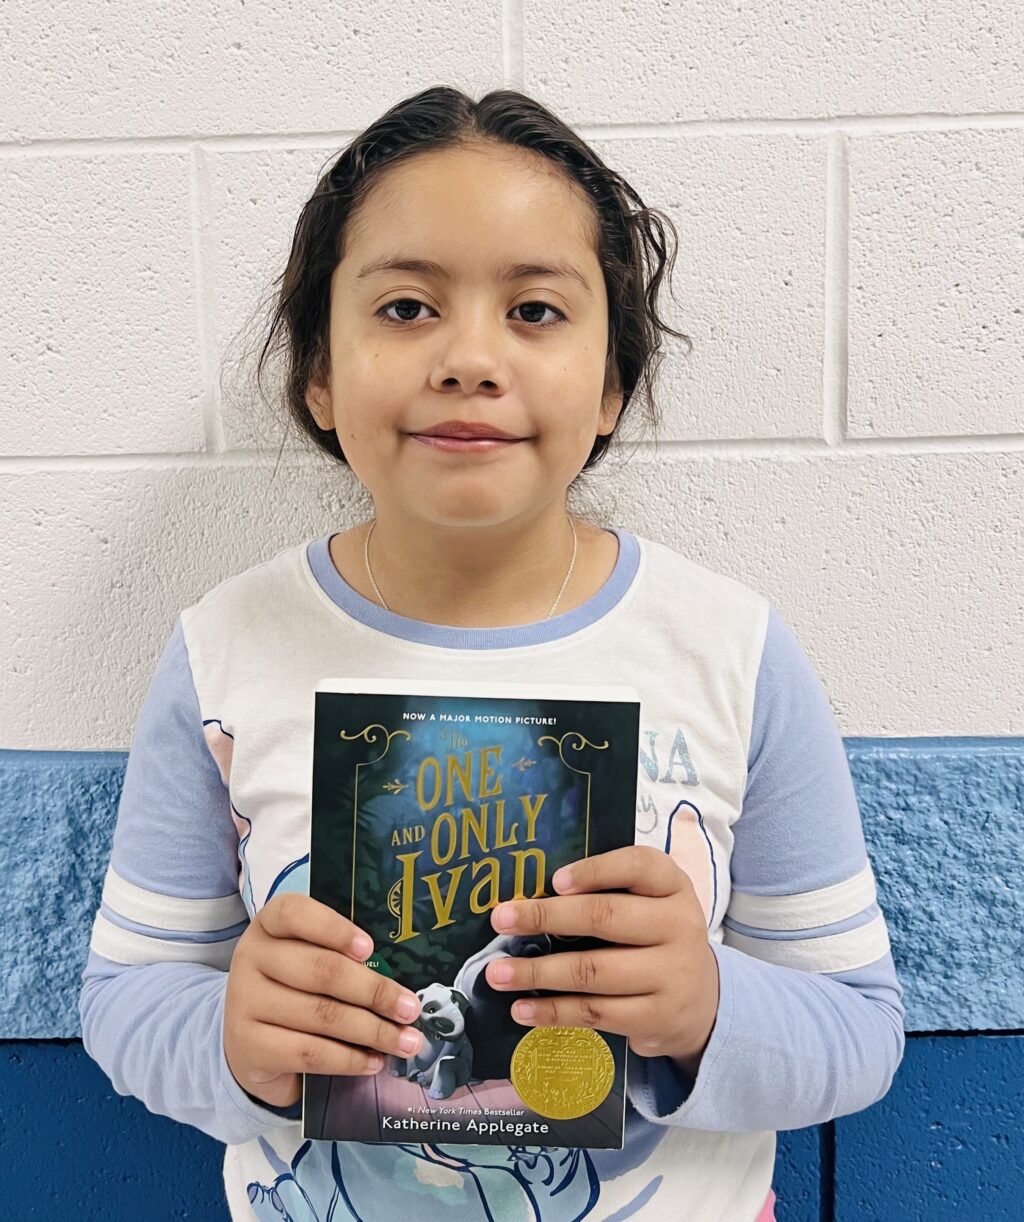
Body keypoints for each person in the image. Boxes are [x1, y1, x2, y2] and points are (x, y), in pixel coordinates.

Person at [78, 84, 905, 1222]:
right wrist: (228, 1040)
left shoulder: (730, 650)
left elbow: (860, 1032)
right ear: (318, 370)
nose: (469, 357)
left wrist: (706, 1009)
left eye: (535, 311)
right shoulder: (225, 651)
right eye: (408, 306)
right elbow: (126, 997)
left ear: (614, 382)